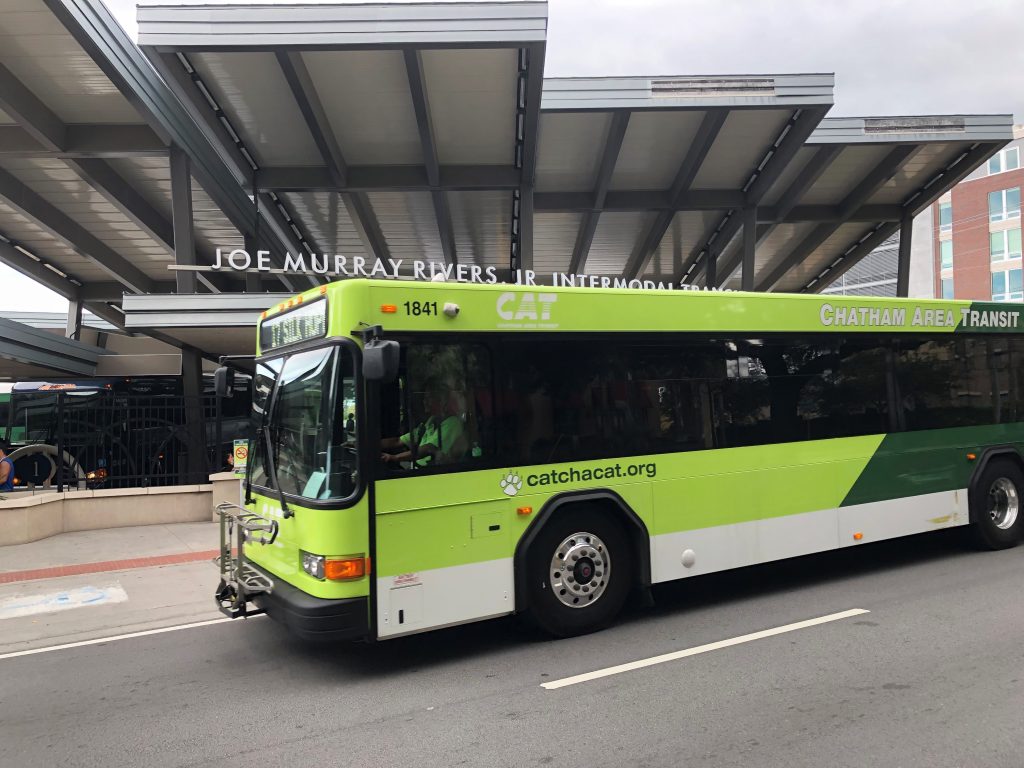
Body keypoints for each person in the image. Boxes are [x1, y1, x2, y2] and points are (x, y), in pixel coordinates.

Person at [380, 388, 464, 468]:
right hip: (419, 468)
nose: (424, 401)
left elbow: (429, 449)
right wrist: (371, 445)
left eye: (428, 398)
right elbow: (398, 441)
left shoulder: (452, 423)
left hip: (435, 472)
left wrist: (395, 457)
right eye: (424, 398)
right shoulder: (431, 421)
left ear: (441, 401)